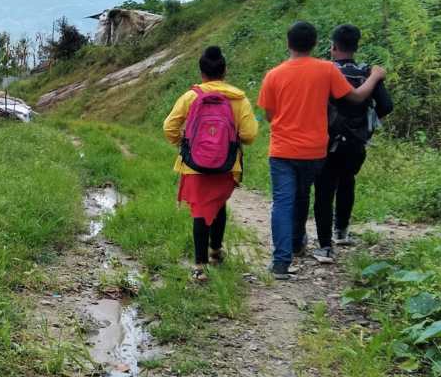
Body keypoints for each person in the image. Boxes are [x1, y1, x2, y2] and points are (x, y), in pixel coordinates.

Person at [257, 21, 386, 279]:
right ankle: (303, 240)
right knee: (304, 194)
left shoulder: (273, 75)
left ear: (288, 43)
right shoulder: (326, 70)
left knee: (284, 202)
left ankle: (284, 259)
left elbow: (270, 115)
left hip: (282, 148)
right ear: (316, 44)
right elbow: (357, 97)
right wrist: (374, 76)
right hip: (315, 150)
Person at [164, 46, 258, 282]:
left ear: (202, 71)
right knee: (218, 204)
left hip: (194, 165)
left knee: (199, 210)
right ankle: (215, 252)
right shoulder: (238, 98)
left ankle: (199, 266)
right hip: (227, 165)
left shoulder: (190, 96)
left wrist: (184, 145)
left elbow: (169, 127)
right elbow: (250, 135)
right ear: (225, 70)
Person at [311, 24, 393, 263]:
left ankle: (324, 246)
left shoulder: (324, 71)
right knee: (347, 181)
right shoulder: (367, 72)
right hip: (356, 141)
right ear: (356, 47)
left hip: (325, 140)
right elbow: (386, 106)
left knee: (324, 190)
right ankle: (341, 231)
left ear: (333, 47)